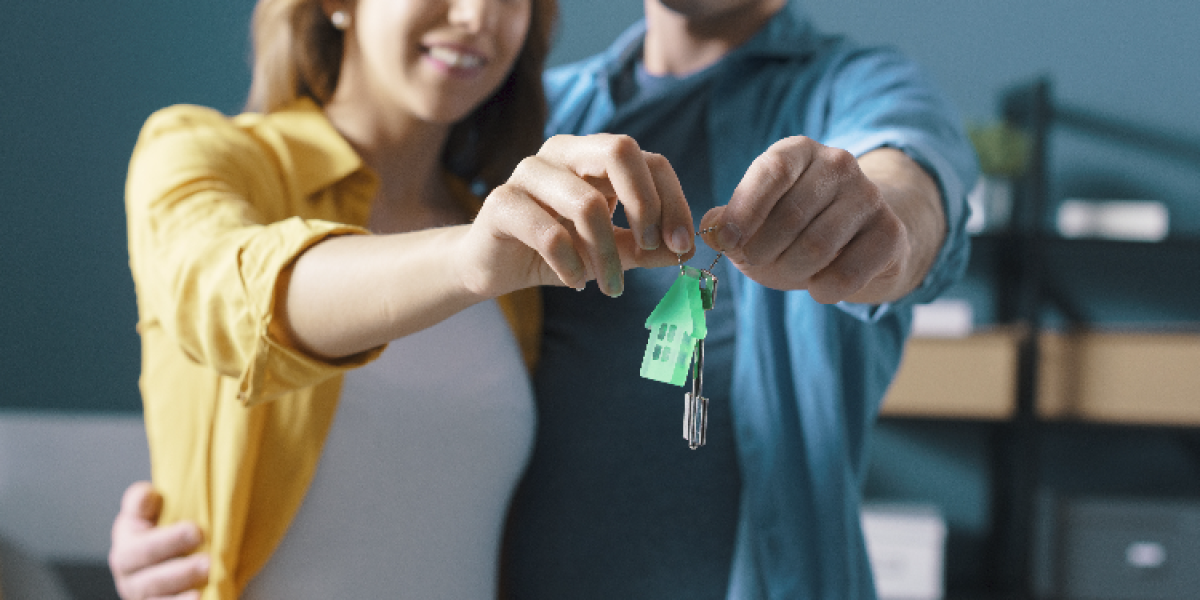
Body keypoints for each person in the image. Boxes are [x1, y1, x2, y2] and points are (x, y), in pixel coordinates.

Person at [111, 0, 979, 598]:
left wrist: (887, 222)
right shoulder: (524, 157)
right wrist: (189, 512)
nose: (478, 17)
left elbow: (908, 183)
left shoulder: (853, 91)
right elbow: (225, 296)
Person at [113, 0, 698, 597]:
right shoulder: (199, 155)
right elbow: (231, 296)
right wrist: (468, 261)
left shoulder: (520, 251)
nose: (477, 16)